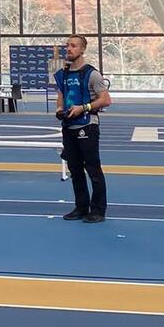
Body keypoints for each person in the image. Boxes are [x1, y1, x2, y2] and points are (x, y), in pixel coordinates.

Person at [54, 34, 112, 223]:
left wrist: (84, 107)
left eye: (73, 46)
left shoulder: (92, 74)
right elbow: (62, 94)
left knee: (93, 169)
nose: (69, 49)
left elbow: (106, 100)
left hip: (87, 126)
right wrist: (59, 109)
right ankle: (81, 206)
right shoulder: (63, 73)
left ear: (82, 49)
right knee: (75, 169)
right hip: (68, 127)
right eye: (67, 46)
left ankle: (98, 210)